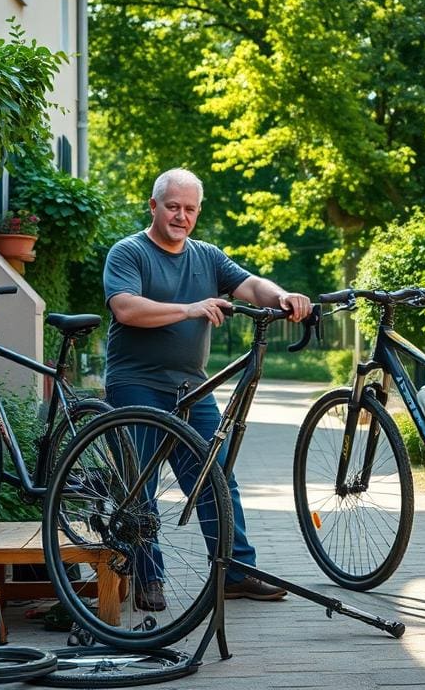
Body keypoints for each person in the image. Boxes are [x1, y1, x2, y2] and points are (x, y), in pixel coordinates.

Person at [103, 167, 312, 610]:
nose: (181, 216)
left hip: (191, 389)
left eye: (190, 209)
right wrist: (189, 308)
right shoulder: (129, 252)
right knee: (140, 488)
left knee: (217, 477)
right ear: (154, 206)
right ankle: (147, 578)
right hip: (135, 384)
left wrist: (282, 297)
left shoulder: (207, 256)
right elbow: (125, 309)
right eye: (173, 207)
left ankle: (237, 572)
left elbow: (250, 284)